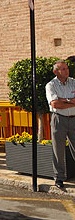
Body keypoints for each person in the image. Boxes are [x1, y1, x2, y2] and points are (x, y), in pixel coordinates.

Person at [45, 60, 75, 190]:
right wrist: (71, 101)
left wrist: (63, 100)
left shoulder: (74, 82)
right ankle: (59, 178)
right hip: (59, 119)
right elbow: (55, 104)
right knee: (59, 150)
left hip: (74, 118)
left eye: (67, 68)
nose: (66, 71)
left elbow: (59, 102)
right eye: (63, 69)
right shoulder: (51, 85)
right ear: (55, 72)